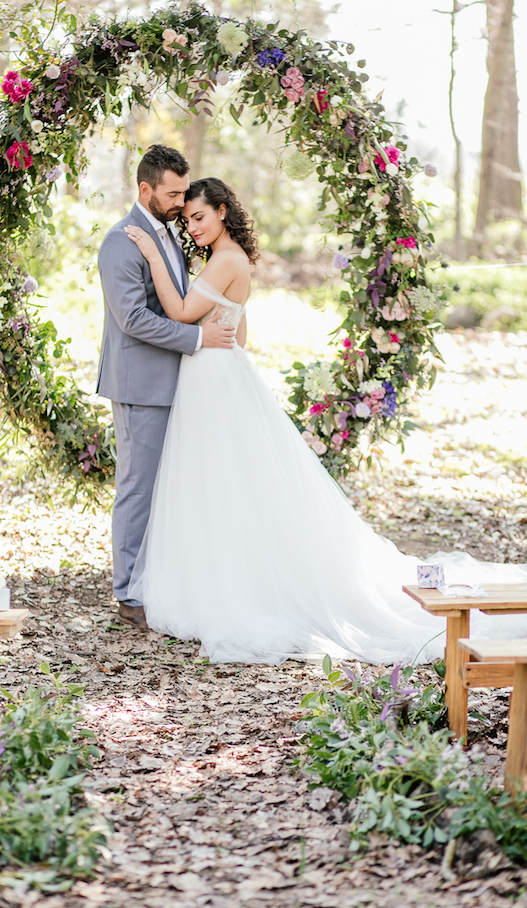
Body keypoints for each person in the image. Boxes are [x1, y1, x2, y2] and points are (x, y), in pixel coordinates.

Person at [123, 176, 527, 665]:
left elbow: (181, 310)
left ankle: (231, 581)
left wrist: (150, 253)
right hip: (215, 370)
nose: (193, 226)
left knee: (222, 475)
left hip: (212, 372)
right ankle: (220, 569)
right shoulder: (226, 260)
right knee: (221, 477)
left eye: (200, 217)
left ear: (223, 211)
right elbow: (239, 330)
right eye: (188, 220)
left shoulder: (226, 259)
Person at [96, 146, 236, 630]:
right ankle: (129, 593)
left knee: (166, 488)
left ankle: (156, 581)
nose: (180, 202)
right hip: (140, 383)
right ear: (146, 189)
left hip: (175, 382)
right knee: (138, 487)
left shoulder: (169, 236)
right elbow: (132, 318)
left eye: (184, 193)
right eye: (173, 193)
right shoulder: (120, 242)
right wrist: (199, 338)